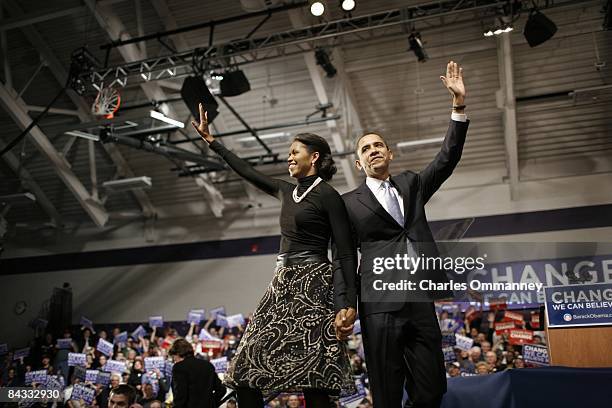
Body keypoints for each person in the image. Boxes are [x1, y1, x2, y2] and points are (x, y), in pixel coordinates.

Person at [192, 104, 357, 407]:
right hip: (281, 283)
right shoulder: (285, 190)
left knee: (315, 376)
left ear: (314, 157)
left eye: (295, 152)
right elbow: (247, 171)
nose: (289, 157)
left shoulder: (329, 197)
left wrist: (347, 303)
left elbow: (345, 253)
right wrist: (212, 142)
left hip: (315, 286)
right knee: (246, 368)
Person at [335, 61, 469, 407]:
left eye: (379, 145)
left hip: (419, 298)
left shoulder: (411, 184)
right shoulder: (348, 203)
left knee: (432, 387)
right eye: (366, 149)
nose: (374, 150)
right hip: (379, 302)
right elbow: (345, 257)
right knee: (386, 389)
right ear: (358, 164)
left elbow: (446, 160)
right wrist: (345, 304)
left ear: (390, 153)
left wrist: (457, 106)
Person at [169, 338, 226, 408]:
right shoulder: (207, 365)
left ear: (178, 353)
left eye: (174, 357)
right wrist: (212, 403)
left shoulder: (179, 367)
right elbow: (221, 390)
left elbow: (180, 395)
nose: (174, 360)